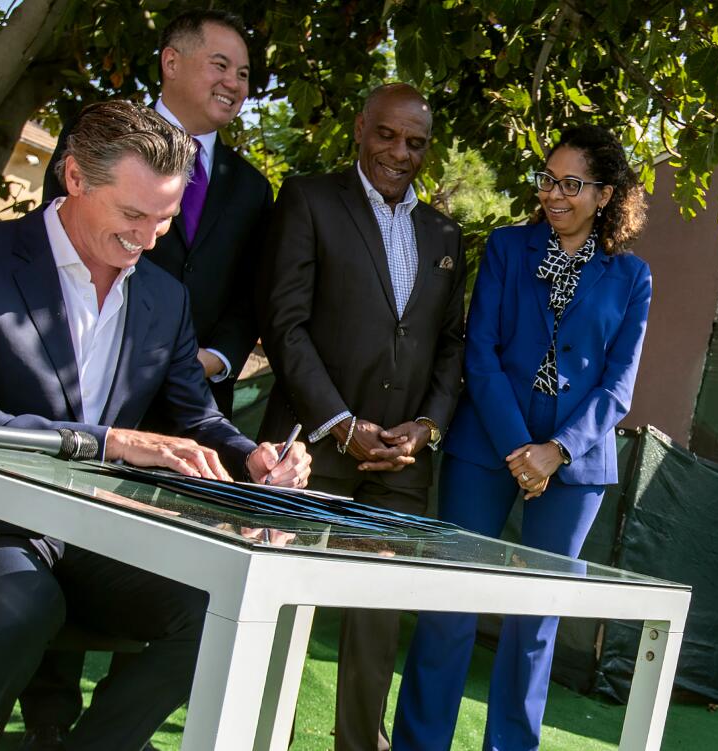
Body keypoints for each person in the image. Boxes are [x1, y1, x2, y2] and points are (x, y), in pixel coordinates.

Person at [0, 100, 312, 751]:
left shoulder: (163, 296)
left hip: (89, 531)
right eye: (132, 214)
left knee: (214, 606)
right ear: (74, 178)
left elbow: (194, 410)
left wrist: (249, 455)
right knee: (23, 606)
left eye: (165, 218)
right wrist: (110, 442)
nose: (148, 239)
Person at [392, 124, 651, 750]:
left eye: (571, 184)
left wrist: (556, 450)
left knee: (535, 620)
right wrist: (519, 450)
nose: (553, 195)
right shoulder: (509, 249)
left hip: (576, 464)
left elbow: (618, 386)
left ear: (605, 193)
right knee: (450, 605)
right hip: (486, 447)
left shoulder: (633, 276)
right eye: (547, 180)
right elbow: (480, 353)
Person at [256, 82, 466, 750]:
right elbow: (284, 323)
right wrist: (341, 422)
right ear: (359, 127)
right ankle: (261, 736)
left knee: (376, 620)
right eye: (387, 134)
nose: (400, 152)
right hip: (310, 446)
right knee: (284, 604)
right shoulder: (309, 199)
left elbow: (451, 340)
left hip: (401, 459)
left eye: (416, 142)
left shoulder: (444, 232)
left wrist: (427, 426)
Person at [44, 9, 271, 416]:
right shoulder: (101, 135)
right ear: (171, 61)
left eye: (243, 73)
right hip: (87, 386)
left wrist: (216, 357)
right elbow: (58, 246)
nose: (233, 83)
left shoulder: (252, 187)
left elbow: (251, 290)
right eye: (220, 65)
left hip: (192, 407)